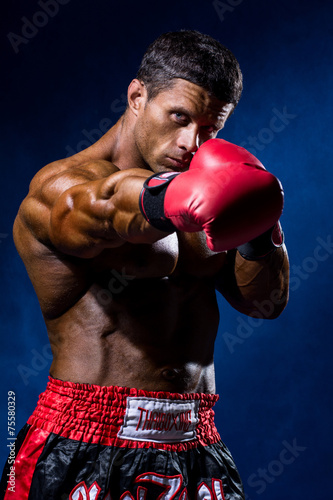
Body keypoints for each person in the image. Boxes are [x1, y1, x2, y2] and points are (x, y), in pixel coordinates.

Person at [1, 30, 289, 500]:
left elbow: (266, 304)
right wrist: (171, 198)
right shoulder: (61, 184)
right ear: (138, 95)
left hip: (197, 443)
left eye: (210, 129)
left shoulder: (210, 191)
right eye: (179, 117)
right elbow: (97, 208)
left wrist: (260, 234)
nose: (191, 142)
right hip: (85, 440)